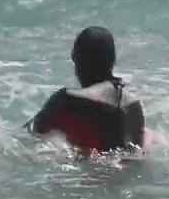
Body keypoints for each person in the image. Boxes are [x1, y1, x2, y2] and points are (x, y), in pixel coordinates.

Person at [27, 26, 145, 154]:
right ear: (112, 61)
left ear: (78, 59)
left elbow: (31, 133)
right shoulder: (133, 104)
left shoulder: (68, 99)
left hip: (94, 171)